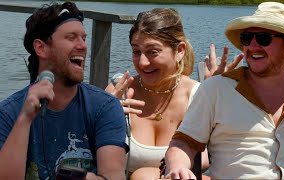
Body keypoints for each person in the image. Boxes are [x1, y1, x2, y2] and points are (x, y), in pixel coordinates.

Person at [164, 2, 284, 179]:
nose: (252, 46)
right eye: (247, 38)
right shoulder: (215, 89)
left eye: (263, 38)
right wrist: (178, 167)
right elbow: (184, 142)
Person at [105, 8, 243, 179]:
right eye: (136, 51)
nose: (142, 62)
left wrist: (216, 95)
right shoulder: (118, 93)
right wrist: (103, 116)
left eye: (152, 52)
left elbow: (221, 156)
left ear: (179, 51)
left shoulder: (200, 95)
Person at [0, 2, 128, 180]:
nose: (83, 46)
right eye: (71, 37)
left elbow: (114, 176)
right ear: (41, 48)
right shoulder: (8, 113)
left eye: (84, 38)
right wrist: (24, 119)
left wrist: (85, 178)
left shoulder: (104, 107)